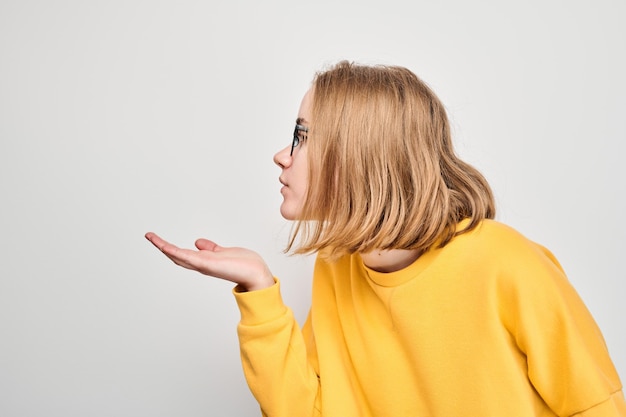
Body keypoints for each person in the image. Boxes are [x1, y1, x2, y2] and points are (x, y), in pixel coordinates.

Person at [145, 61, 625, 417]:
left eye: (303, 136)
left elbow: (597, 406)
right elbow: (306, 410)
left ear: (358, 155)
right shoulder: (337, 266)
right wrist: (258, 289)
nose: (281, 155)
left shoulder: (504, 262)